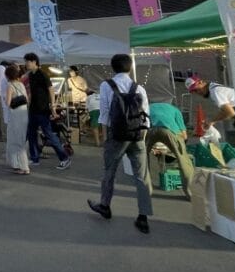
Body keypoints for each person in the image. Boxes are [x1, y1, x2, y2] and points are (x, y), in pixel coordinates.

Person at [88, 54, 153, 234]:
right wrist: (141, 137)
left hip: (115, 136)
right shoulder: (139, 87)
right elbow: (146, 116)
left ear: (112, 67)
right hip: (138, 136)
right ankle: (143, 217)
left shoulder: (106, 85)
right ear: (130, 67)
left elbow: (104, 114)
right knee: (141, 176)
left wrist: (103, 138)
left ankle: (105, 206)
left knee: (109, 171)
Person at [186, 77, 235, 171]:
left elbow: (229, 112)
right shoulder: (216, 88)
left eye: (197, 89)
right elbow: (230, 110)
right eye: (194, 91)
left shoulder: (216, 91)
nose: (198, 93)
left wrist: (211, 121)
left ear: (201, 82)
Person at [24, 53, 72, 170]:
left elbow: (51, 90)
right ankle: (35, 158)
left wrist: (53, 106)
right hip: (33, 109)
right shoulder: (31, 75)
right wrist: (28, 103)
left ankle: (64, 158)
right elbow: (32, 92)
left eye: (27, 62)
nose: (26, 64)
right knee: (31, 134)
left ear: (34, 61)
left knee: (49, 134)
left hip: (43, 109)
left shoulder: (42, 74)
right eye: (25, 61)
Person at [147, 102, 193, 200]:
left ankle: (146, 190)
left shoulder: (147, 107)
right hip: (169, 131)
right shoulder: (175, 110)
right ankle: (189, 192)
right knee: (183, 160)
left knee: (143, 160)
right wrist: (179, 148)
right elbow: (184, 136)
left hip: (150, 130)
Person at [5, 65, 30, 175]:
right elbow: (27, 99)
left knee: (15, 140)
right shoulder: (21, 84)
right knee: (21, 139)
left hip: (15, 115)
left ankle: (24, 167)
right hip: (24, 114)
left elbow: (8, 103)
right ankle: (18, 164)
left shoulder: (10, 86)